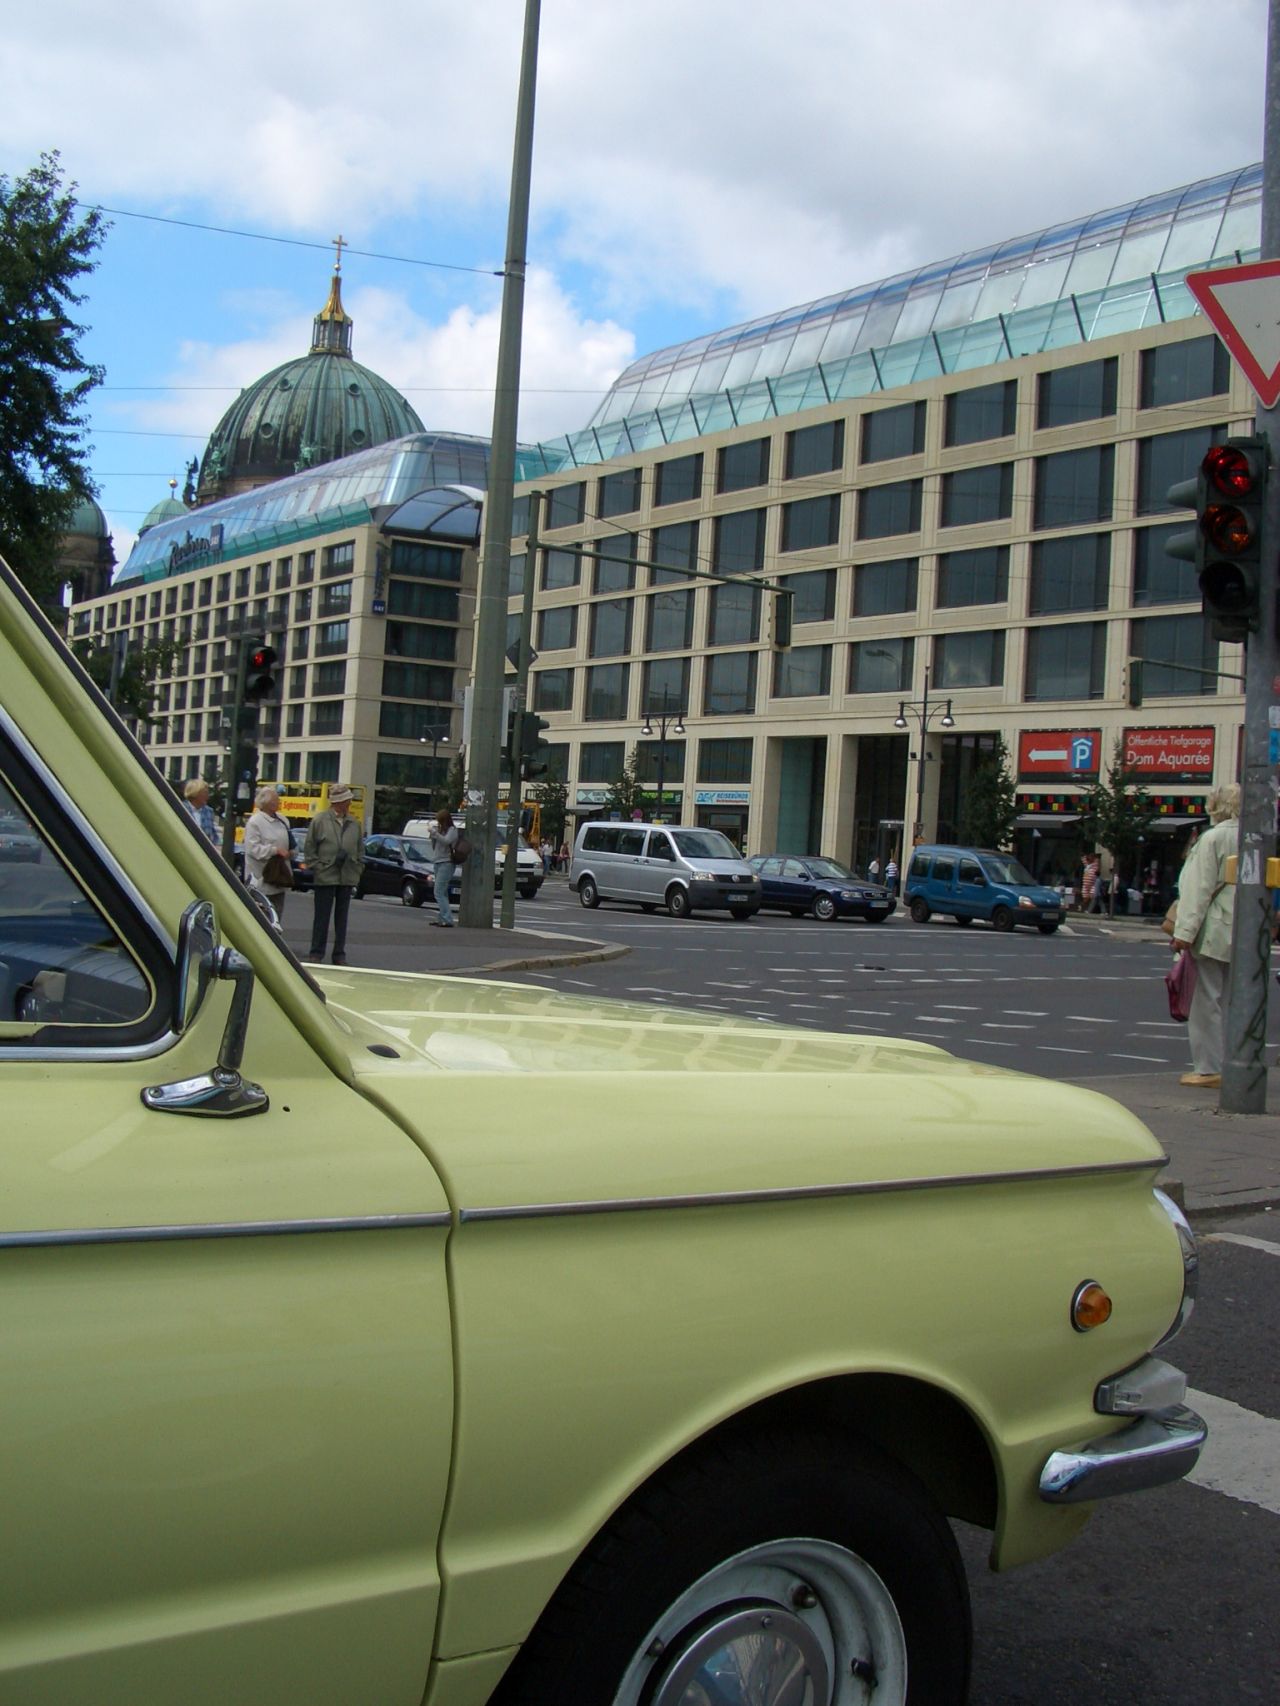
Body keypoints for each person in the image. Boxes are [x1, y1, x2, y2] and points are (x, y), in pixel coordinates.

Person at [1170, 782, 1239, 1089]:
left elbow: (1197, 889)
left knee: (1206, 1000)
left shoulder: (1213, 838)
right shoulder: (1256, 837)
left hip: (1214, 929)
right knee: (1237, 999)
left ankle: (1209, 1067)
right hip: (1245, 930)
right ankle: (1237, 1062)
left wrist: (1184, 933)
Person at [303, 785, 364, 964]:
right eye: (347, 800)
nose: (350, 803)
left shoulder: (354, 823)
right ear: (338, 802)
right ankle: (316, 952)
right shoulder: (320, 820)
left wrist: (358, 866)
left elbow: (360, 849)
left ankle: (339, 954)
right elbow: (309, 847)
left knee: (342, 918)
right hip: (326, 875)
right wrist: (317, 866)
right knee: (322, 917)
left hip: (347, 875)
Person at [243, 786, 292, 920]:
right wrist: (274, 850)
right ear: (266, 803)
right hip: (261, 879)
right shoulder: (255, 822)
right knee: (262, 917)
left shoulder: (283, 820)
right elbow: (252, 849)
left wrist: (292, 851)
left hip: (280, 879)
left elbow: (291, 841)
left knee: (277, 917)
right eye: (275, 800)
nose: (279, 802)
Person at [427, 808, 459, 927]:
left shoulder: (452, 830)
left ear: (445, 820)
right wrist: (433, 835)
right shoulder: (440, 830)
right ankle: (442, 918)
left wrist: (435, 833)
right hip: (437, 862)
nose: (439, 824)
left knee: (438, 891)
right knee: (443, 892)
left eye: (440, 821)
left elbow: (447, 841)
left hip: (447, 862)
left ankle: (448, 919)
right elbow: (434, 846)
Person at [183, 778, 217, 845]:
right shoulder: (182, 809)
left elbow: (213, 835)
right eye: (205, 793)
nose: (208, 796)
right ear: (195, 793)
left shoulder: (209, 811)